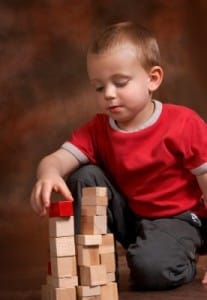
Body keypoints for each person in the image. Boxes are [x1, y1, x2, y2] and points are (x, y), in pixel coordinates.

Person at [30, 21, 207, 290]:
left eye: (120, 83)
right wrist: (48, 173)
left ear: (153, 79)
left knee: (150, 270)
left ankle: (177, 256)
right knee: (84, 175)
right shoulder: (98, 129)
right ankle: (94, 265)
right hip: (132, 217)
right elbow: (55, 159)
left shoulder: (184, 123)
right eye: (99, 87)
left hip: (178, 218)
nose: (109, 95)